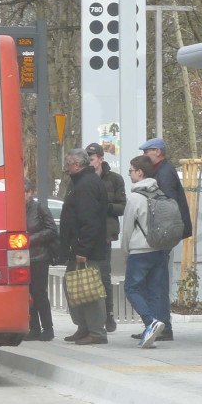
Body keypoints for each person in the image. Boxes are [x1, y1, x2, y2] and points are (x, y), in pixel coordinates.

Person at [129, 137, 192, 344]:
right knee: (156, 284)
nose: (145, 157)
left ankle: (159, 325)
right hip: (162, 238)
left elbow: (165, 210)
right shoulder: (164, 171)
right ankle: (157, 325)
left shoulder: (163, 174)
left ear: (157, 152)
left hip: (158, 239)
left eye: (147, 153)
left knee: (154, 286)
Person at [59, 148, 110, 345]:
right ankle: (84, 326)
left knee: (89, 290)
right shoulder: (82, 182)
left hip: (85, 250)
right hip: (79, 248)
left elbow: (89, 220)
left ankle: (96, 331)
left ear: (77, 165)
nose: (66, 168)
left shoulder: (86, 185)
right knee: (74, 287)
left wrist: (83, 250)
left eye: (68, 164)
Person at [120, 155, 170, 348]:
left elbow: (127, 231)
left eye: (131, 171)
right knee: (155, 291)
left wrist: (125, 253)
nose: (130, 174)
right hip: (159, 249)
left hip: (140, 251)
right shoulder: (160, 194)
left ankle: (150, 322)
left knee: (131, 288)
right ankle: (153, 333)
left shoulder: (134, 198)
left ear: (140, 173)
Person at [85, 142, 127, 333]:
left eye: (92, 159)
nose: (89, 163)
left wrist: (106, 207)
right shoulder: (82, 179)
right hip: (86, 235)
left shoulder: (115, 180)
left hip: (105, 235)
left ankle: (109, 316)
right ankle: (90, 320)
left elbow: (121, 206)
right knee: (86, 278)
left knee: (104, 277)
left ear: (101, 159)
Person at [23, 178, 58, 342]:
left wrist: (31, 238)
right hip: (22, 258)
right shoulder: (14, 209)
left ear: (29, 192)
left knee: (39, 293)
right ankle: (34, 328)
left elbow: (52, 230)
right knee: (27, 294)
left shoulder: (39, 208)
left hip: (38, 256)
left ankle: (48, 328)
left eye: (23, 192)